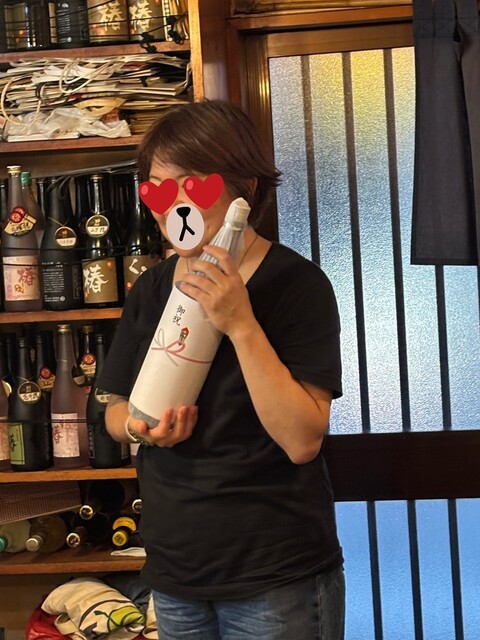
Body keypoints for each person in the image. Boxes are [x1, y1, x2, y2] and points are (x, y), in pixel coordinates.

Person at [99, 99, 345, 640]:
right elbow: (114, 410)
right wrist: (139, 429)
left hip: (275, 573)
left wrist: (240, 322)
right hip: (175, 571)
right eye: (158, 189)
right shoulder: (151, 289)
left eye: (191, 186)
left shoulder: (297, 285)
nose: (174, 206)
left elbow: (303, 440)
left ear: (244, 189)